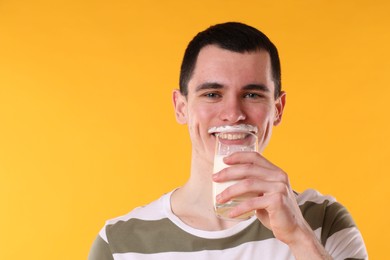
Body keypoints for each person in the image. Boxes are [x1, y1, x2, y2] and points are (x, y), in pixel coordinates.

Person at [89, 22, 367, 260]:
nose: (233, 114)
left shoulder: (324, 222)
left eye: (252, 95)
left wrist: (299, 237)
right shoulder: (119, 244)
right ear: (181, 107)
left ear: (277, 109)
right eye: (212, 94)